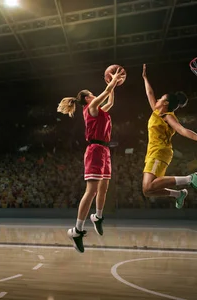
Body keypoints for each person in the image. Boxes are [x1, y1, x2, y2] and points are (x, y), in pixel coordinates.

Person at [57, 68, 124, 253]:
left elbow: (110, 99)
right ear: (87, 98)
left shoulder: (100, 109)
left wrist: (114, 85)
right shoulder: (91, 107)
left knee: (104, 188)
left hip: (104, 150)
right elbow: (106, 93)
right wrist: (113, 80)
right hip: (94, 149)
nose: (94, 95)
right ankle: (77, 230)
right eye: (92, 94)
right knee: (92, 190)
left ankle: (98, 217)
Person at [141, 64, 197, 209]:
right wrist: (145, 78)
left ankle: (190, 179)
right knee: (148, 191)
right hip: (153, 152)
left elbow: (182, 130)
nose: (157, 99)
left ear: (165, 103)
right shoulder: (157, 112)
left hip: (159, 151)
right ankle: (178, 194)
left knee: (148, 186)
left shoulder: (167, 116)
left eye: (161, 98)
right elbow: (149, 93)